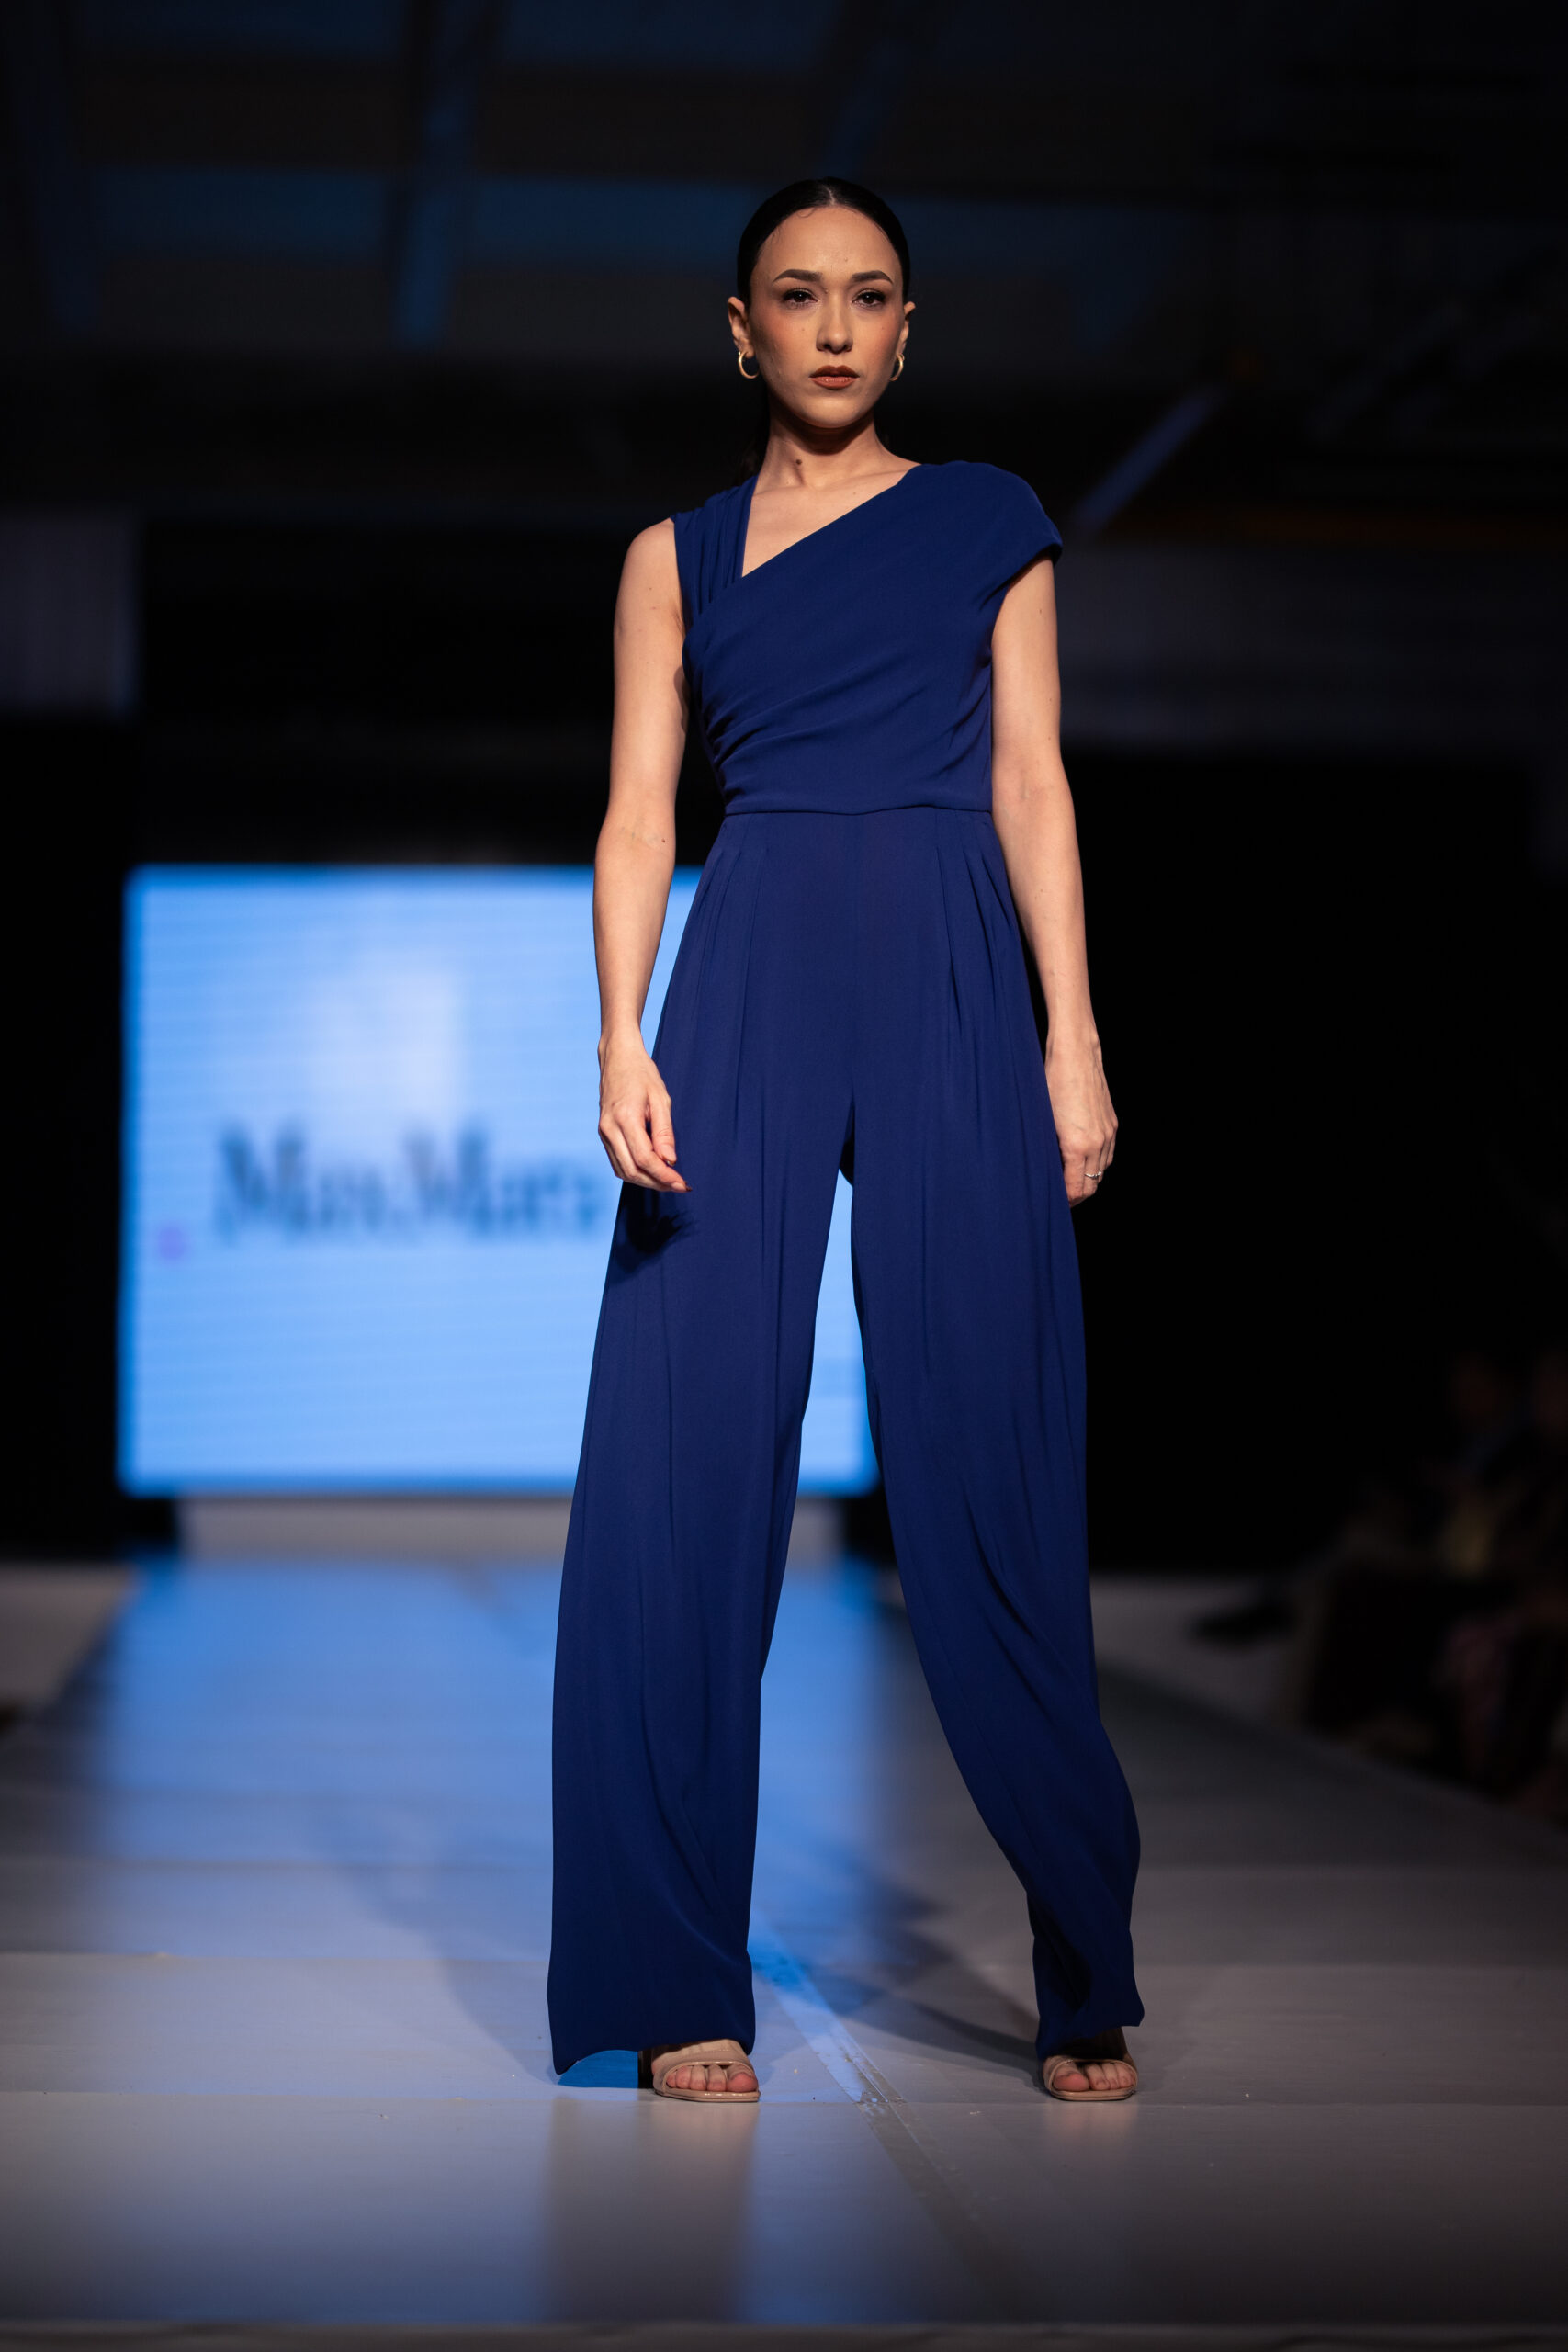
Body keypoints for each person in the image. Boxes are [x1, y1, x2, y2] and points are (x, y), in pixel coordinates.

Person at [547, 178, 1143, 2105]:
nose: (829, 325)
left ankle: (1084, 1962)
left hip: (956, 965)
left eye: (864, 295)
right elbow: (639, 811)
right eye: (794, 295)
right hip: (750, 970)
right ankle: (675, 1976)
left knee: (991, 1440)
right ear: (740, 331)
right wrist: (619, 1030)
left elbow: (1031, 779)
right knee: (684, 1453)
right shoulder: (674, 557)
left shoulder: (986, 519)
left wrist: (1072, 1033)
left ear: (905, 328)